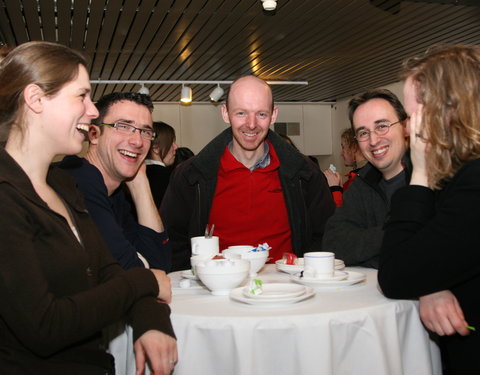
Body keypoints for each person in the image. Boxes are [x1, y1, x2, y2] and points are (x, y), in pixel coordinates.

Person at [0, 41, 176, 375]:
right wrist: (146, 285)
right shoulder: (6, 195)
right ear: (36, 100)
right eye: (81, 96)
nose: (92, 111)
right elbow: (45, 326)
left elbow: (111, 270)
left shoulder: (63, 186)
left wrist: (152, 321)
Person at [161, 75, 335, 271]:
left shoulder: (305, 174)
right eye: (241, 113)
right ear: (226, 113)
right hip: (218, 289)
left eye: (261, 114)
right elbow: (174, 241)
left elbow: (325, 235)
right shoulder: (191, 176)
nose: (251, 124)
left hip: (285, 289)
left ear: (273, 115)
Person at [378, 44, 480, 375]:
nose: (407, 128)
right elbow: (428, 255)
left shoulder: (474, 182)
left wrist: (419, 174)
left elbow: (395, 273)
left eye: (411, 115)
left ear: (445, 110)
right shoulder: (457, 177)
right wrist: (430, 284)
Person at [58, 93, 171, 271]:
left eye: (146, 132)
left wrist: (140, 184)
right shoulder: (78, 183)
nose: (137, 141)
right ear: (94, 134)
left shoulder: (115, 195)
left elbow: (160, 264)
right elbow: (132, 273)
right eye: (123, 126)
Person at [322, 89, 409, 268]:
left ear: (405, 126)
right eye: (363, 133)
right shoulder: (363, 182)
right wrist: (395, 234)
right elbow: (333, 244)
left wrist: (365, 249)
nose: (373, 140)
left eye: (382, 126)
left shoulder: (434, 176)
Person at [323, 127, 367, 206]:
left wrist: (335, 188)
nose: (341, 154)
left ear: (354, 148)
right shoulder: (358, 176)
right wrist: (340, 187)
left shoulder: (361, 180)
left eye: (343, 147)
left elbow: (343, 214)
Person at [144, 121, 178, 208]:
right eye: (171, 142)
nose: (176, 147)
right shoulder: (170, 179)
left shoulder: (134, 176)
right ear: (156, 148)